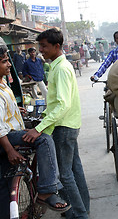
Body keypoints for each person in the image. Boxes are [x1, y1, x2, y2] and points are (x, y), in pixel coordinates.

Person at [0, 45, 70, 218]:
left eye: (8, 60)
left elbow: (2, 114)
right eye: (4, 61)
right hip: (2, 140)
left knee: (6, 183)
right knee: (43, 139)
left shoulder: (1, 84)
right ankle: (46, 191)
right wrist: (9, 150)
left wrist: (16, 110)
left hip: (6, 135)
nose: (9, 64)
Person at [23, 28, 90, 218]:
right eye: (40, 46)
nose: (40, 50)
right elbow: (56, 103)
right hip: (69, 124)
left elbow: (62, 104)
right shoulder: (58, 66)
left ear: (56, 46)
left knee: (66, 175)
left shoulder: (60, 68)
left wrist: (39, 128)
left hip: (63, 127)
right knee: (75, 170)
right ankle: (83, 209)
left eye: (44, 46)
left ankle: (79, 214)